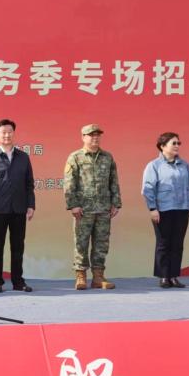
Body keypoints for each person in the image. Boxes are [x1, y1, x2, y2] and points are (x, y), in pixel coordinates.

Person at [64, 124, 122, 290]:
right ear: (83, 137)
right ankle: (80, 276)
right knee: (81, 243)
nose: (95, 138)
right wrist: (73, 205)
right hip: (84, 209)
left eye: (97, 135)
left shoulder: (107, 157)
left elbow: (114, 181)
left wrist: (116, 203)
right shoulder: (75, 157)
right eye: (91, 135)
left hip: (104, 208)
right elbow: (69, 183)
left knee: (101, 244)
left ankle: (98, 277)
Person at [0, 119, 35, 293]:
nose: (7, 135)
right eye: (3, 132)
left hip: (19, 209)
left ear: (14, 134)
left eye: (10, 132)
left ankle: (18, 281)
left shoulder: (23, 157)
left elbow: (29, 184)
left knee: (18, 247)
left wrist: (31, 205)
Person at [142, 132, 189, 289]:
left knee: (177, 244)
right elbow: (148, 188)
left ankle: (174, 276)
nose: (177, 146)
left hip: (182, 208)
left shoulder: (185, 165)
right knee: (163, 243)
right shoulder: (154, 165)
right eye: (173, 143)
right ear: (162, 146)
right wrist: (152, 208)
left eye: (178, 143)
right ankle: (163, 276)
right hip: (163, 210)